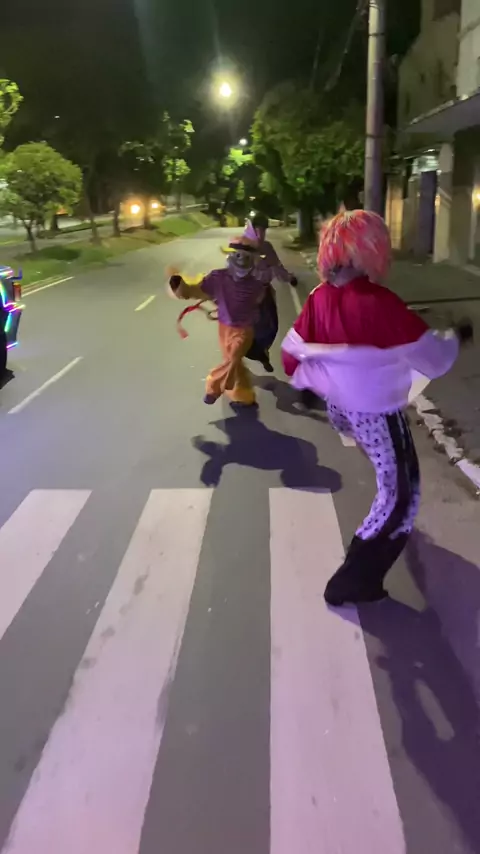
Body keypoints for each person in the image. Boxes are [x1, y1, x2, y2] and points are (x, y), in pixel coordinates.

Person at [281, 209, 472, 607]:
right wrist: (456, 337)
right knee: (401, 493)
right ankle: (354, 577)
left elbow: (290, 357)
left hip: (345, 409)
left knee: (388, 474)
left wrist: (317, 379)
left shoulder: (318, 298)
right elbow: (431, 355)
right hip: (378, 412)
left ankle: (371, 554)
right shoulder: (378, 303)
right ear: (366, 251)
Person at [169, 235, 269, 407]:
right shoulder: (218, 277)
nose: (241, 259)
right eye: (238, 254)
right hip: (224, 328)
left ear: (253, 259)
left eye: (246, 256)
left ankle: (213, 387)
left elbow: (260, 303)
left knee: (233, 357)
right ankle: (243, 394)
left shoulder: (257, 284)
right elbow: (198, 290)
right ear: (231, 255)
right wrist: (182, 288)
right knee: (234, 363)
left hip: (244, 329)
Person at [243, 214, 297, 372]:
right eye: (258, 230)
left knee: (272, 327)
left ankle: (263, 352)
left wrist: (289, 278)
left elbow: (277, 266)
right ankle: (245, 357)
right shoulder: (243, 248)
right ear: (252, 230)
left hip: (265, 295)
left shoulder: (267, 247)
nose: (261, 235)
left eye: (264, 230)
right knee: (246, 330)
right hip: (247, 296)